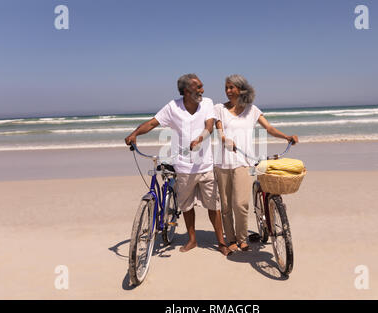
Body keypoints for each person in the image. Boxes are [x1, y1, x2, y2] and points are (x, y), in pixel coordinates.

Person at [125, 74, 231, 256]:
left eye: (201, 87)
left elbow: (209, 127)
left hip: (205, 166)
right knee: (186, 206)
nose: (202, 90)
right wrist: (135, 133)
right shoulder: (172, 107)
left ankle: (221, 242)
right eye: (198, 87)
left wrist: (199, 139)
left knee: (214, 205)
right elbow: (152, 123)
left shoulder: (207, 103)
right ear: (186, 91)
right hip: (183, 167)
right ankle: (192, 240)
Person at [214, 74, 298, 252]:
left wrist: (286, 136)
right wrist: (225, 140)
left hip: (244, 162)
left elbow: (269, 128)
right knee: (226, 205)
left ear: (241, 89)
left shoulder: (252, 110)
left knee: (241, 204)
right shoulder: (219, 109)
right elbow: (220, 132)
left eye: (232, 87)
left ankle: (242, 238)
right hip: (222, 163)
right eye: (226, 88)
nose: (228, 91)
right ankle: (231, 239)